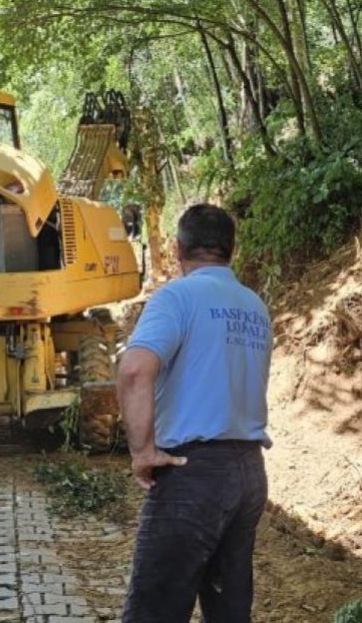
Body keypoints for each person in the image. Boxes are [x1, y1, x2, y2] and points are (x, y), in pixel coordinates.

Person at [117, 203, 273, 623]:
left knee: (154, 611)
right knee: (227, 610)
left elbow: (134, 371)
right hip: (248, 474)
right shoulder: (254, 305)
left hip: (194, 475)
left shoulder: (178, 296)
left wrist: (143, 452)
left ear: (177, 249)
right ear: (231, 250)